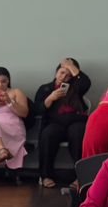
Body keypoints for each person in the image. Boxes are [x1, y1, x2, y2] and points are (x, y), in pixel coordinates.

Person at [33, 59, 92, 188]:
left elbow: (86, 82)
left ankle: (80, 176)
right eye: (62, 72)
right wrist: (50, 98)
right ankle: (46, 175)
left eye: (68, 75)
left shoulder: (77, 87)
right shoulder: (45, 88)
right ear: (56, 72)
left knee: (78, 132)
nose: (64, 77)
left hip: (75, 121)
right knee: (48, 134)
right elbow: (37, 110)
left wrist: (71, 66)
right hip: (55, 123)